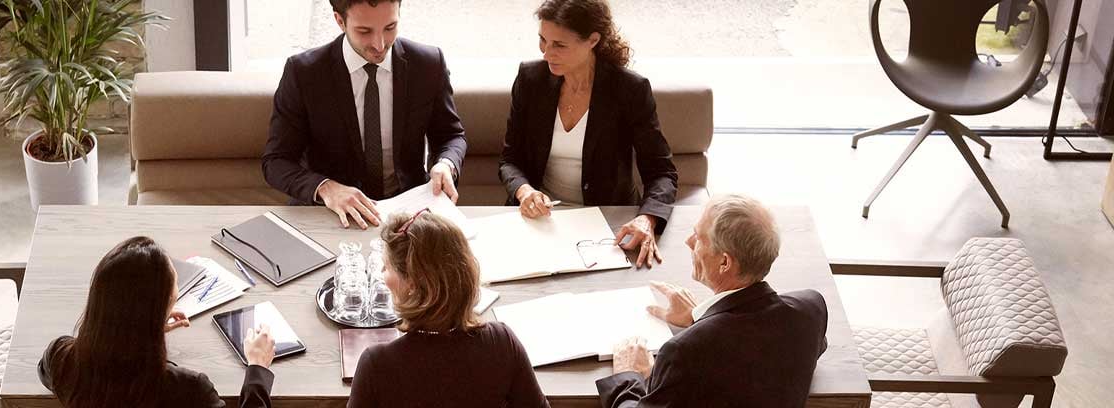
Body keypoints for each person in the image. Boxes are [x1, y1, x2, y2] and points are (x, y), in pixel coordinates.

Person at [597, 195, 829, 407]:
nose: (688, 241)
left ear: (725, 263)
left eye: (698, 237)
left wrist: (629, 375)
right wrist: (699, 319)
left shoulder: (682, 353)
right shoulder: (811, 308)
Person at [499, 0, 679, 268]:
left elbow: (661, 172)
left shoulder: (629, 90)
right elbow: (509, 159)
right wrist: (524, 192)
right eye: (542, 41)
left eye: (559, 45)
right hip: (539, 221)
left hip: (607, 225)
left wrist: (647, 218)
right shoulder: (530, 79)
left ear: (592, 40)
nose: (547, 53)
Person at [263, 0, 468, 230]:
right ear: (340, 21)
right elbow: (276, 162)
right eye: (364, 31)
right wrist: (326, 188)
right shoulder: (304, 73)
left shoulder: (428, 64)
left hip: (409, 214)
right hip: (334, 214)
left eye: (390, 28)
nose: (380, 45)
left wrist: (445, 164)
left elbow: (451, 136)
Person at [38, 236, 277, 407]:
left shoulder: (60, 358)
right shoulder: (189, 390)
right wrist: (257, 369)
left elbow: (51, 372)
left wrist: (133, 331)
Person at [348, 210, 549, 407]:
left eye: (386, 267)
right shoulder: (502, 342)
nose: (383, 275)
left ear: (412, 283)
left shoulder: (376, 365)